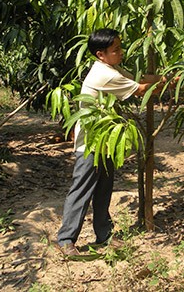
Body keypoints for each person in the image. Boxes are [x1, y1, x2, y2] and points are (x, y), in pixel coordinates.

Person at [57, 28, 165, 256]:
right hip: (91, 143)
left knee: (104, 190)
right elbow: (141, 89)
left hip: (105, 140)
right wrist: (166, 84)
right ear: (100, 54)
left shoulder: (110, 67)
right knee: (81, 190)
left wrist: (168, 78)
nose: (121, 52)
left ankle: (104, 236)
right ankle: (66, 240)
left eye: (119, 47)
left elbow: (140, 78)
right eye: (116, 49)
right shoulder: (104, 74)